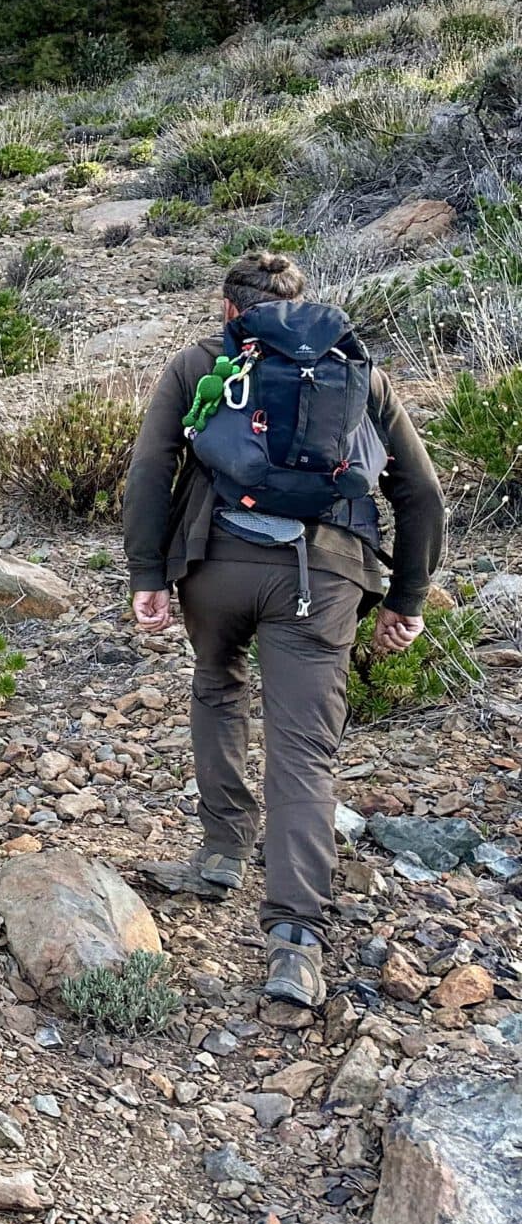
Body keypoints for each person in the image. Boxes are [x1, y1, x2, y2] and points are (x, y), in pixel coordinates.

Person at [121, 250, 444, 1009]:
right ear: (301, 304)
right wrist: (408, 598)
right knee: (303, 750)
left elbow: (148, 470)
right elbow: (421, 493)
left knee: (218, 684)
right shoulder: (359, 371)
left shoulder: (199, 363)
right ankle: (295, 939)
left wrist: (146, 576)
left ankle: (224, 849)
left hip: (216, 566)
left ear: (229, 307)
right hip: (323, 579)